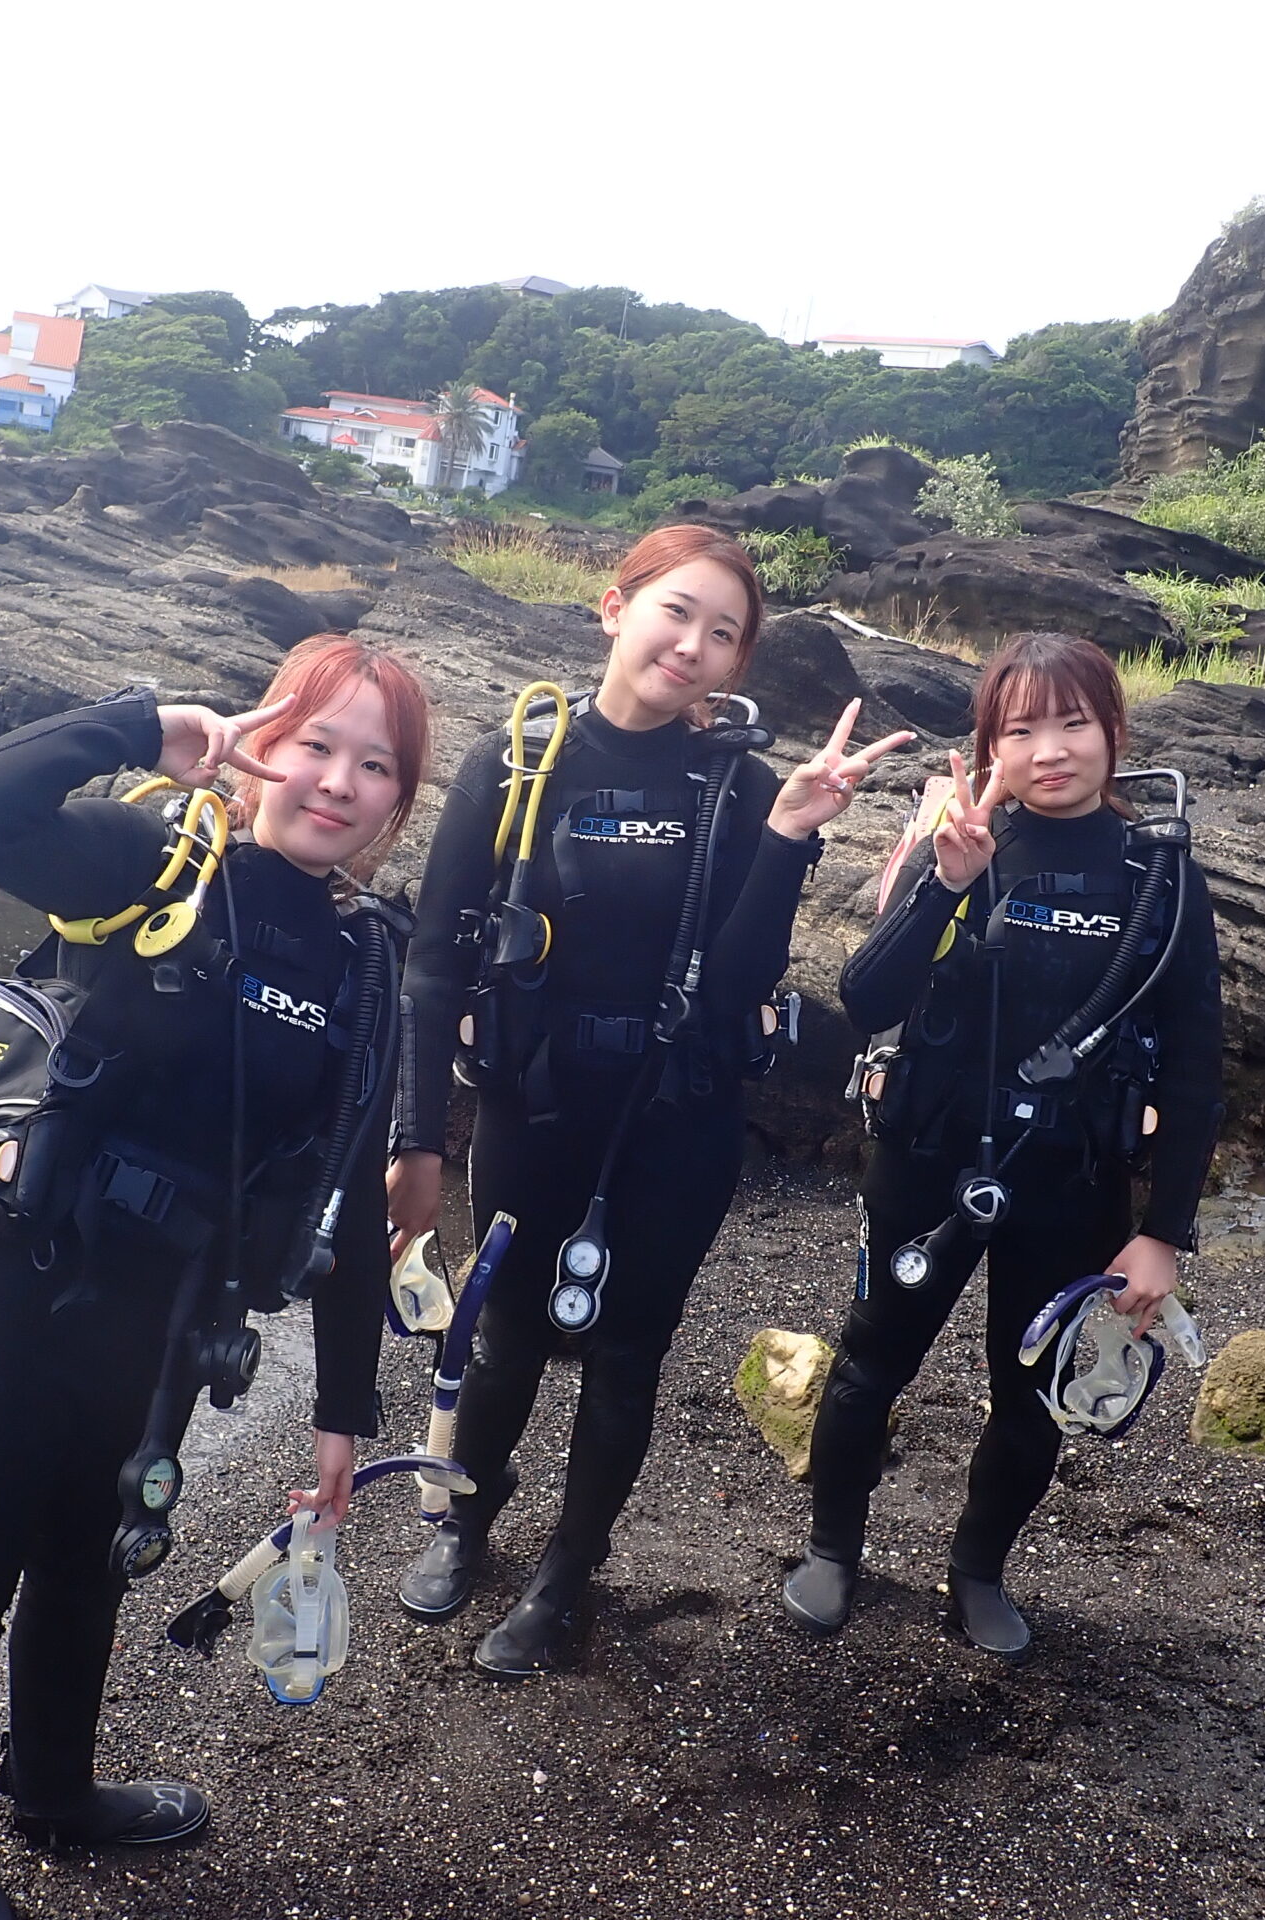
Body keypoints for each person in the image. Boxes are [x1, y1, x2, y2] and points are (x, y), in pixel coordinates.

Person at [0, 636, 432, 1920]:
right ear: (261, 749)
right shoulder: (150, 869)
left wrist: (344, 1411)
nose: (337, 782)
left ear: (398, 809)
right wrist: (143, 727)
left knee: (84, 1569)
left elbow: (344, 1205)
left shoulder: (361, 974)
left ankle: (55, 1793)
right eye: (313, 742)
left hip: (159, 1331)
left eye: (375, 767)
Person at [386, 523, 911, 1678]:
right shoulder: (518, 760)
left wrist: (784, 839)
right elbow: (428, 965)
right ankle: (467, 1522)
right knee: (508, 1334)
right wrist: (416, 1136)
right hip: (538, 1103)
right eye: (677, 610)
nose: (694, 643)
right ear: (614, 607)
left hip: (678, 1117)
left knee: (627, 1356)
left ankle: (568, 1572)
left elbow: (733, 985)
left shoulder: (740, 786)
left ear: (736, 663)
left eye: (725, 633)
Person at [780, 630, 1224, 1659]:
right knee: (869, 1364)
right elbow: (863, 997)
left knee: (1030, 1399)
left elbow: (1195, 1069)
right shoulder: (964, 841)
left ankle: (977, 1571)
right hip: (932, 1158)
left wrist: (1162, 1234)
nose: (1050, 749)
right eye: (1019, 729)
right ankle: (831, 1548)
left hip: (1073, 1179)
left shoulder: (1157, 876)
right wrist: (944, 882)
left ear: (1114, 735)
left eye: (1074, 723)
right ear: (988, 747)